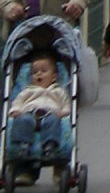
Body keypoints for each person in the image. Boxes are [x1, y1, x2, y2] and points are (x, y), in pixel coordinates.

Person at [5, 53, 71, 185]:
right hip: (29, 113)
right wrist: (15, 110)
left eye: (44, 71)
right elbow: (18, 102)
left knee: (53, 122)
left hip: (50, 113)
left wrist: (64, 112)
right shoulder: (28, 91)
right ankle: (23, 146)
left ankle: (49, 146)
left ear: (54, 77)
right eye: (35, 72)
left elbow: (66, 104)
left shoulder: (58, 91)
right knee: (22, 121)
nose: (39, 74)